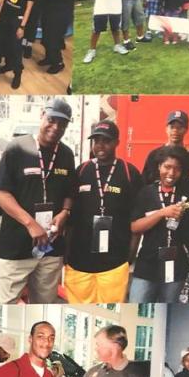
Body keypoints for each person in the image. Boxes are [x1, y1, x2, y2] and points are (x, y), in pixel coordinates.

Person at [0, 99, 76, 305]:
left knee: (45, 303)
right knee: (7, 303)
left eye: (62, 124)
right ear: (42, 115)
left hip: (51, 247)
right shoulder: (17, 148)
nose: (56, 128)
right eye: (52, 120)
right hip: (17, 246)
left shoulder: (66, 154)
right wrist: (30, 223)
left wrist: (65, 212)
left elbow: (70, 191)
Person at [65, 121, 143, 303]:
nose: (100, 145)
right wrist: (66, 253)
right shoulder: (82, 170)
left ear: (117, 142)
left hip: (114, 262)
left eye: (106, 141)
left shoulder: (129, 173)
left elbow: (136, 219)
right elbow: (71, 217)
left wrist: (129, 257)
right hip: (79, 262)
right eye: (96, 140)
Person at [129, 147, 189, 302]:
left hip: (176, 265)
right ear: (159, 167)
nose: (171, 173)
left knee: (169, 305)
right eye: (167, 167)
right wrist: (161, 213)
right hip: (147, 264)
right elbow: (135, 227)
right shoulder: (146, 193)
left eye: (177, 169)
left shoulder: (187, 193)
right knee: (137, 303)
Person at [0, 0, 36, 90]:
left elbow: (29, 7)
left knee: (16, 48)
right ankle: (8, 65)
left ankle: (17, 73)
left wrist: (22, 26)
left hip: (17, 19)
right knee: (5, 44)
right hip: (5, 16)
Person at [141, 110, 189, 183]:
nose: (175, 130)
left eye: (179, 127)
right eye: (172, 127)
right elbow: (145, 181)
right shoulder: (154, 155)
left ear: (186, 130)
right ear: (166, 129)